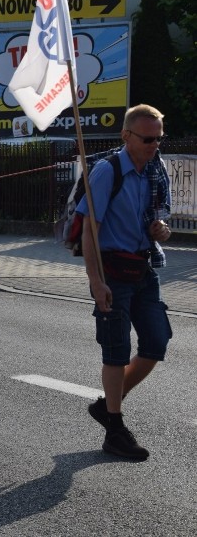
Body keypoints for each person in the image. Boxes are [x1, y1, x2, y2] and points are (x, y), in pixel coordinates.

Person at [77, 104, 173, 461]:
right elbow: (90, 229)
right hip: (113, 272)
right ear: (126, 136)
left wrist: (160, 230)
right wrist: (95, 281)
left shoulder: (154, 171)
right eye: (148, 139)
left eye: (159, 138)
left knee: (156, 342)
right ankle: (115, 428)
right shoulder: (107, 171)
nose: (154, 145)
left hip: (143, 269)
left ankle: (106, 406)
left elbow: (158, 219)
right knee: (115, 351)